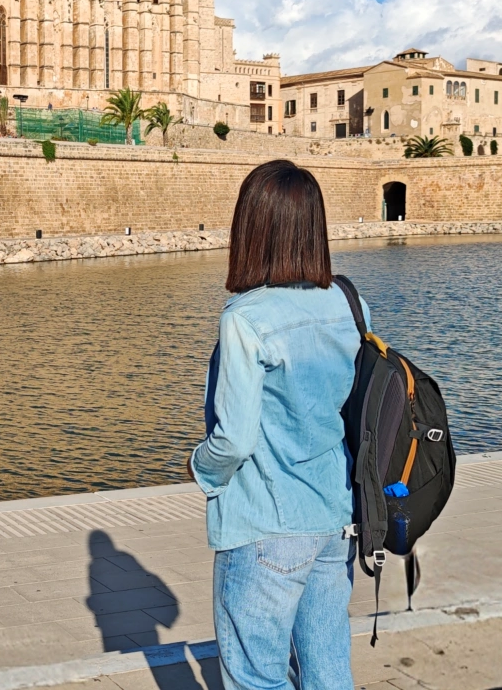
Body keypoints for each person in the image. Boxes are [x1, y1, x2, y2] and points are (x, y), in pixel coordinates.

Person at [189, 159, 370, 690]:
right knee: (329, 671)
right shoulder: (348, 302)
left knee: (255, 678)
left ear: (252, 228)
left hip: (265, 526)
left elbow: (235, 438)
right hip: (334, 518)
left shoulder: (245, 318)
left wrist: (202, 468)